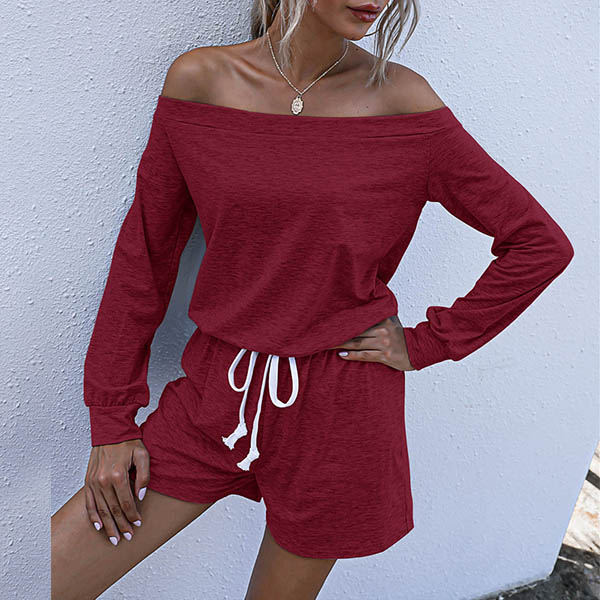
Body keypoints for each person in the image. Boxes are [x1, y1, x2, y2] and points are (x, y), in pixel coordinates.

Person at [50, 0, 574, 598]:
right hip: (217, 392)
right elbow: (144, 258)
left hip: (341, 411)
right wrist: (112, 421)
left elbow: (539, 243)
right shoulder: (201, 82)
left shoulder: (404, 104)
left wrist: (428, 342)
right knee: (48, 578)